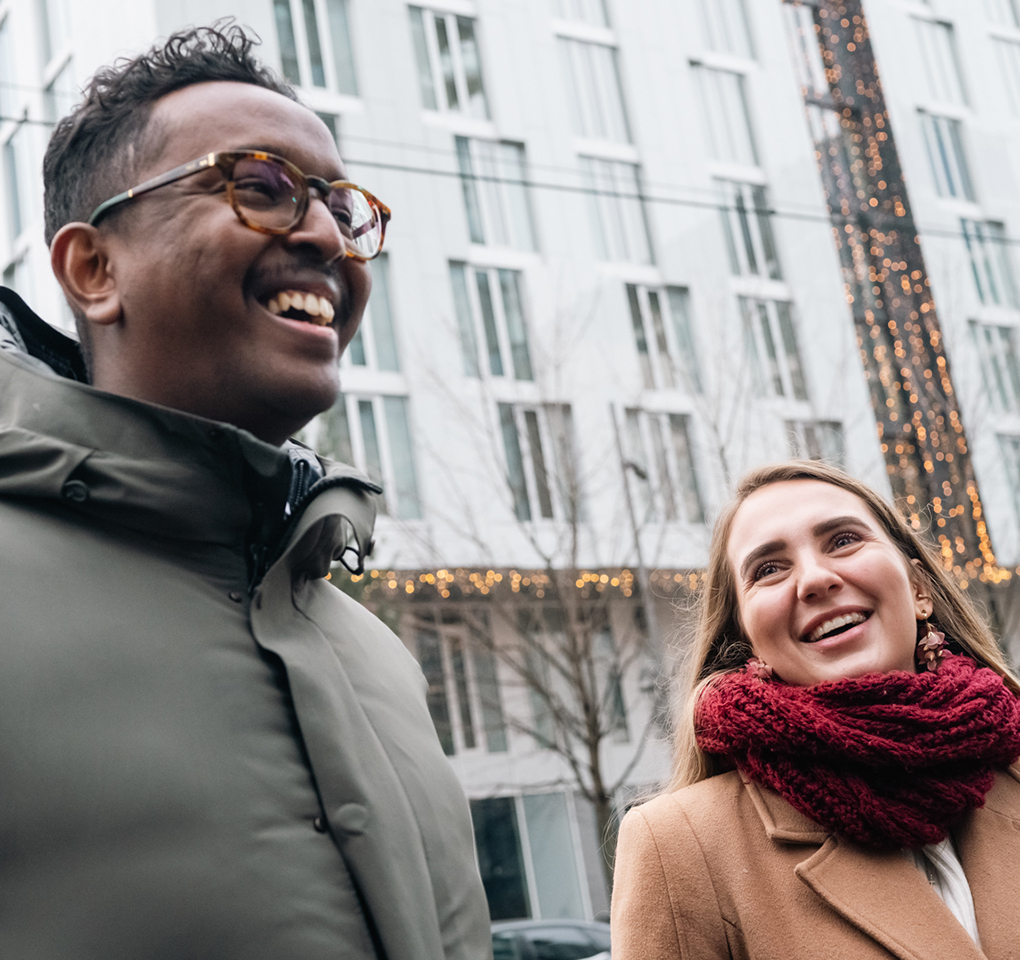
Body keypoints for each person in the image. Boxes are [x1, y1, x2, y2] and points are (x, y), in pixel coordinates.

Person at [0, 24, 491, 960]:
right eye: (259, 188)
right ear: (93, 269)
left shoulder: (376, 653)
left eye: (340, 208)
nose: (324, 237)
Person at [611, 459, 1020, 960]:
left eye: (844, 540)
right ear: (748, 641)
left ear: (919, 590)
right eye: (768, 569)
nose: (815, 579)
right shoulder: (677, 847)